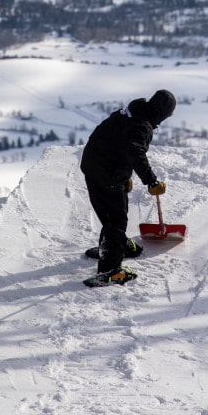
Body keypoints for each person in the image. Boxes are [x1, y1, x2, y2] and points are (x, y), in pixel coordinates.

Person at [80, 89, 176, 287]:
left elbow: (119, 144)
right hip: (105, 172)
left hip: (95, 165)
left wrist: (124, 175)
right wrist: (152, 182)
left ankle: (115, 246)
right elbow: (136, 153)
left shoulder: (132, 112)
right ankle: (110, 270)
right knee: (116, 220)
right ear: (162, 113)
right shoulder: (141, 126)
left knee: (113, 211)